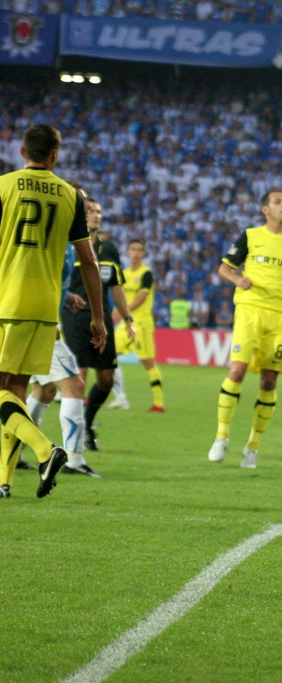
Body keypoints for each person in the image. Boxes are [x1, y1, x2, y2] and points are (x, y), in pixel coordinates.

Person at [0, 123, 105, 499]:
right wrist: (98, 316)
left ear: (22, 152)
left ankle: (45, 450)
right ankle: (5, 481)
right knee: (14, 388)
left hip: (5, 299)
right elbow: (89, 261)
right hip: (45, 306)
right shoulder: (70, 195)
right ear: (55, 155)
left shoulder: (4, 185)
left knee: (3, 392)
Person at [208, 190, 282, 468]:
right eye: (277, 202)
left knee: (269, 380)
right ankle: (221, 437)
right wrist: (237, 279)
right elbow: (223, 268)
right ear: (265, 210)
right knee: (236, 370)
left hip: (281, 315)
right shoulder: (250, 236)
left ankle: (253, 446)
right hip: (250, 310)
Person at [62, 198, 135, 451]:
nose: (95, 215)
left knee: (106, 379)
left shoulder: (109, 250)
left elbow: (117, 288)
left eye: (99, 212)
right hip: (74, 318)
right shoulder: (67, 245)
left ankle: (88, 424)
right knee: (78, 379)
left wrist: (127, 320)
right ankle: (76, 439)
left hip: (102, 319)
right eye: (90, 211)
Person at [108, 239, 164, 412]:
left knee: (147, 361)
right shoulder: (124, 273)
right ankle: (120, 397)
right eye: (133, 249)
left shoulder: (146, 273)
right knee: (108, 357)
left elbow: (141, 298)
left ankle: (158, 403)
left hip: (141, 323)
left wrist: (125, 311)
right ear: (128, 252)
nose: (136, 253)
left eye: (140, 250)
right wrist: (111, 320)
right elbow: (120, 300)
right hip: (127, 323)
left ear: (144, 253)